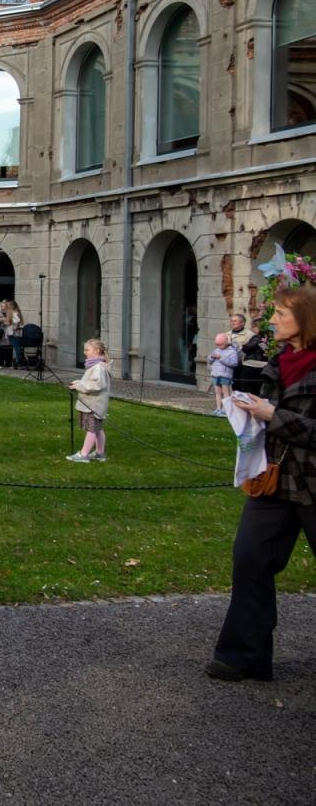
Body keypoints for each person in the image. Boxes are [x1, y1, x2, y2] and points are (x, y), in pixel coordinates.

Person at [208, 284, 316, 682]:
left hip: (312, 484)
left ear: (304, 320)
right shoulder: (281, 361)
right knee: (250, 557)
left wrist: (274, 415)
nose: (271, 321)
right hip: (274, 480)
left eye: (281, 315)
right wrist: (251, 416)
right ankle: (243, 655)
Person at [66, 338, 111, 462]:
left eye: (87, 350)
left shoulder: (98, 367)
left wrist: (79, 386)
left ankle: (84, 455)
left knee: (91, 429)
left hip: (94, 404)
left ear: (96, 351)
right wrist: (77, 383)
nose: (84, 352)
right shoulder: (95, 366)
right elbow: (89, 382)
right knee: (98, 429)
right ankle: (100, 453)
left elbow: (96, 385)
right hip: (93, 403)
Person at [207, 333, 240, 416]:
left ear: (226, 343)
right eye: (217, 345)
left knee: (226, 392)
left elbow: (234, 363)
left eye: (220, 345)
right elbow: (210, 361)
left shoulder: (232, 351)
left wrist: (221, 358)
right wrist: (212, 357)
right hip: (216, 374)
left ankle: (225, 409)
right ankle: (218, 408)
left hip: (225, 375)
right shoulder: (216, 350)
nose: (218, 347)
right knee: (217, 392)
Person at [0, 300, 25, 368]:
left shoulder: (14, 312)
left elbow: (17, 320)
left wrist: (9, 320)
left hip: (13, 332)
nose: (7, 306)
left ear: (12, 306)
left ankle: (19, 362)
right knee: (17, 347)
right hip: (14, 332)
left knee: (17, 348)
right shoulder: (15, 312)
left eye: (8, 305)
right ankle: (19, 362)